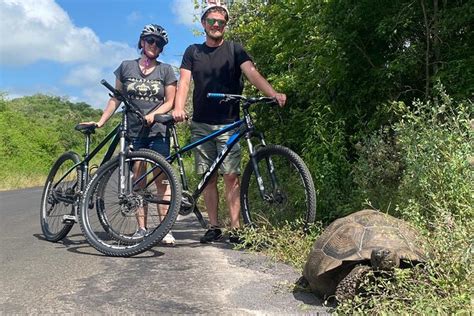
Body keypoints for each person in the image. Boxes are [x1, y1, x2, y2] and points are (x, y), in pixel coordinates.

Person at [172, 1, 286, 244]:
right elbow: (183, 82)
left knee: (231, 176)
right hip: (202, 122)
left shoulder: (235, 50)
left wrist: (272, 93)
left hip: (229, 123)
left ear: (225, 25)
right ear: (203, 24)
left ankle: (235, 228)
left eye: (220, 22)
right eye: (211, 21)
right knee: (209, 177)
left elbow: (252, 73)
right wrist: (179, 107)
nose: (216, 25)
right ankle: (214, 226)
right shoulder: (193, 51)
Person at [83, 24, 177, 245]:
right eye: (151, 41)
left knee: (163, 181)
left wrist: (155, 114)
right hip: (134, 131)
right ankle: (142, 229)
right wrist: (101, 121)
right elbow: (116, 98)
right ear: (142, 42)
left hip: (157, 131)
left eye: (159, 43)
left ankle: (164, 229)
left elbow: (170, 101)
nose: (154, 45)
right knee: (139, 180)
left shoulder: (166, 70)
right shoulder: (126, 67)